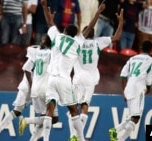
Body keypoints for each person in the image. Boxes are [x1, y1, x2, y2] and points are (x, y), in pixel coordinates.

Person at [39, 0, 105, 141]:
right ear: (75, 35)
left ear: (64, 31)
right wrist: (98, 13)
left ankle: (45, 139)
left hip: (51, 79)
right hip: (64, 80)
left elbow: (50, 24)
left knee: (49, 110)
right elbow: (89, 29)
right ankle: (80, 139)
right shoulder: (77, 42)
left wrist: (44, 6)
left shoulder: (57, 37)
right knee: (74, 111)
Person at [67, 8, 124, 141]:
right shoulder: (98, 42)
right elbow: (117, 37)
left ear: (84, 33)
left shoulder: (77, 42)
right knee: (85, 106)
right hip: (90, 79)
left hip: (77, 78)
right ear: (94, 34)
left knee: (73, 108)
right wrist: (120, 22)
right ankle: (78, 136)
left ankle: (73, 136)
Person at [109, 40, 152, 141]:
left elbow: (123, 75)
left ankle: (116, 132)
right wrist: (148, 89)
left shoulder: (132, 59)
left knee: (133, 116)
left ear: (141, 48)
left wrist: (124, 91)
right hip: (138, 89)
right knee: (136, 118)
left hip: (128, 88)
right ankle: (118, 134)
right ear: (151, 50)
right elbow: (149, 78)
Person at [18, 34, 59, 141]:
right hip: (47, 89)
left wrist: (32, 85)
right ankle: (27, 121)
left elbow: (26, 69)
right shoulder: (52, 54)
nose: (40, 40)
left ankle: (32, 139)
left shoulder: (36, 53)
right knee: (52, 118)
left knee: (46, 117)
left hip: (35, 89)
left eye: (42, 39)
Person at [0, 48, 35, 141]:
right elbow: (26, 68)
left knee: (45, 114)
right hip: (27, 88)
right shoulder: (36, 56)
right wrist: (31, 86)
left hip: (36, 89)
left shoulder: (50, 57)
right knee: (18, 111)